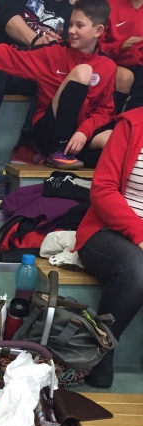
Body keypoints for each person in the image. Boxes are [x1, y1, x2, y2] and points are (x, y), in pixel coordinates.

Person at [0, 0, 116, 171]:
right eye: (70, 24)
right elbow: (8, 56)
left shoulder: (107, 66)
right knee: (83, 71)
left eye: (79, 26)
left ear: (98, 31)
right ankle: (58, 151)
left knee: (113, 140)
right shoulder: (52, 53)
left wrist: (83, 132)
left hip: (78, 134)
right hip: (48, 134)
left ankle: (69, 159)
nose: (71, 30)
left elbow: (105, 111)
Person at [0, 0, 73, 172]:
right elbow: (9, 20)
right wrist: (38, 41)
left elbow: (64, 48)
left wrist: (54, 45)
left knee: (50, 73)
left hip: (18, 69)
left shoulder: (68, 10)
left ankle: (25, 145)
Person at [75, 106, 143, 387]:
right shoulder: (132, 124)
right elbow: (103, 190)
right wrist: (139, 234)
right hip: (108, 230)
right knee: (137, 270)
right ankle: (101, 348)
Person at [100, 0, 143, 112]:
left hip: (139, 65)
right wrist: (120, 46)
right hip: (112, 61)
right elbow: (96, 44)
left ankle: (130, 120)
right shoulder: (110, 5)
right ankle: (112, 119)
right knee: (125, 77)